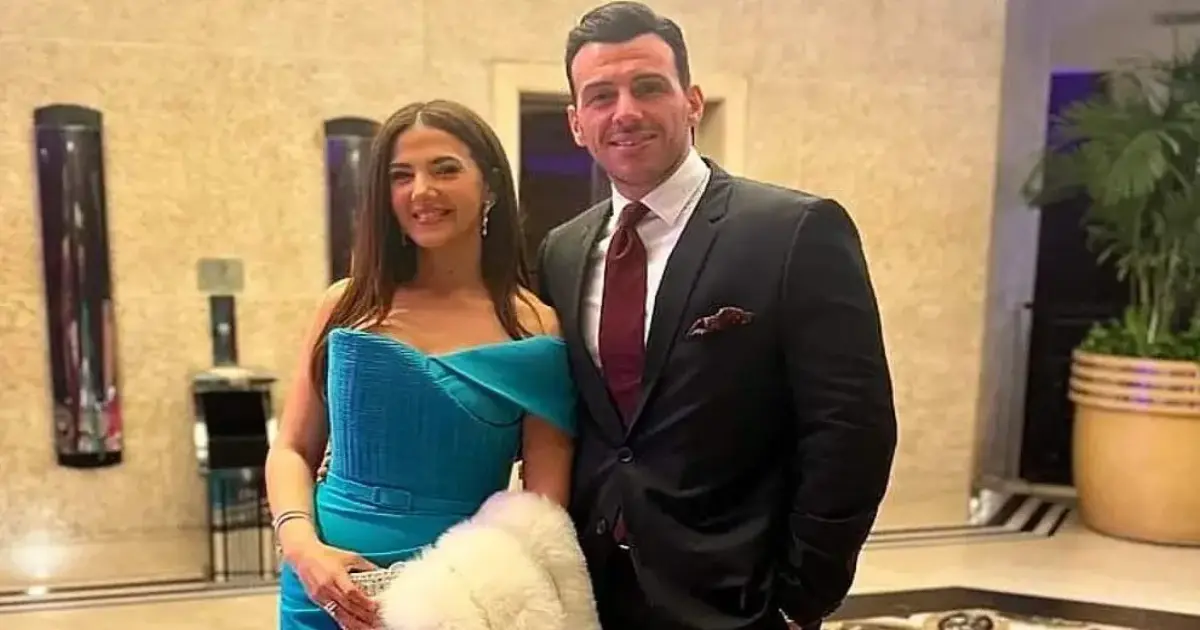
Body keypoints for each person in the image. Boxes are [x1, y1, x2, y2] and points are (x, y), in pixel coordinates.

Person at [535, 3, 899, 629]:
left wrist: (801, 597)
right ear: (576, 123)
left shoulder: (794, 232)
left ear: (692, 102)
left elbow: (851, 428)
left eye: (649, 87)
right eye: (601, 96)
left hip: (739, 599)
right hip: (594, 594)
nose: (625, 111)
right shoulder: (560, 252)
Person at [265, 99, 577, 630]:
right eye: (401, 176)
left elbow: (544, 509)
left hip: (460, 598)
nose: (421, 191)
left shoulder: (534, 325)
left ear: (490, 186)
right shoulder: (345, 305)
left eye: (445, 169)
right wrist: (302, 548)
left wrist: (484, 597)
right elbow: (292, 448)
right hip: (323, 587)